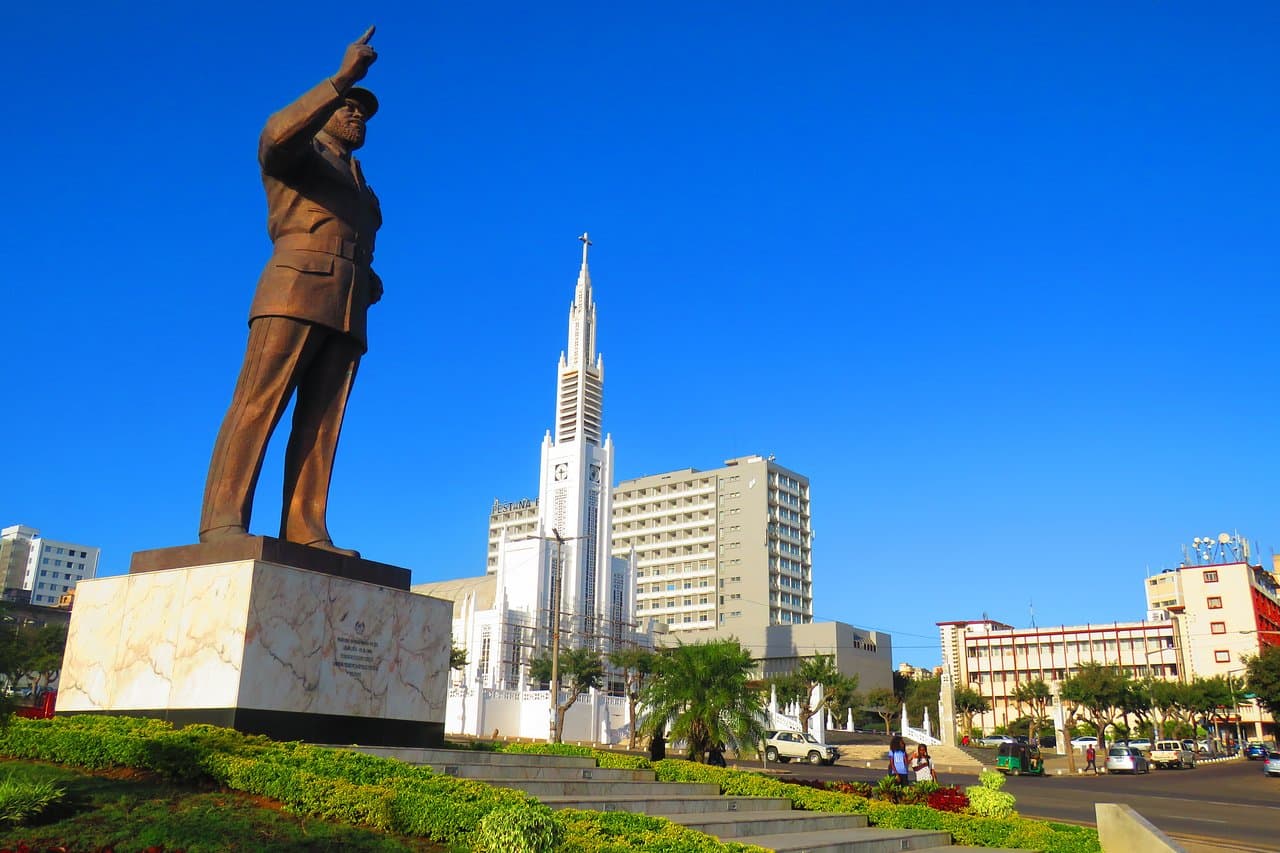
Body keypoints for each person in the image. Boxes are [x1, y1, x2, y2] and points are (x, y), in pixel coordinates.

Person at [198, 27, 384, 557]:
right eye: (348, 108)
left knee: (323, 423)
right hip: (294, 290)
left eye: (363, 113)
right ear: (324, 112)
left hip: (347, 305)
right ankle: (222, 524)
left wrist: (367, 279)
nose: (356, 116)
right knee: (259, 404)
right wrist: (342, 77)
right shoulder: (300, 156)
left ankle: (306, 527)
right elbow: (274, 135)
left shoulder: (361, 186)